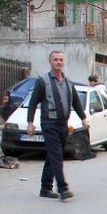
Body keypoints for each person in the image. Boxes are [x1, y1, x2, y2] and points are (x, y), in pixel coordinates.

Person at [26, 50, 88, 200]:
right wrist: (30, 123)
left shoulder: (67, 82)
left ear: (63, 62)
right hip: (49, 124)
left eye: (60, 59)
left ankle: (45, 188)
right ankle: (63, 188)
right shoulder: (43, 81)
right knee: (57, 156)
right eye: (55, 60)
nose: (58, 62)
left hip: (63, 125)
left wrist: (83, 118)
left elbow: (76, 102)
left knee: (52, 157)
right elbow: (33, 103)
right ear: (50, 62)